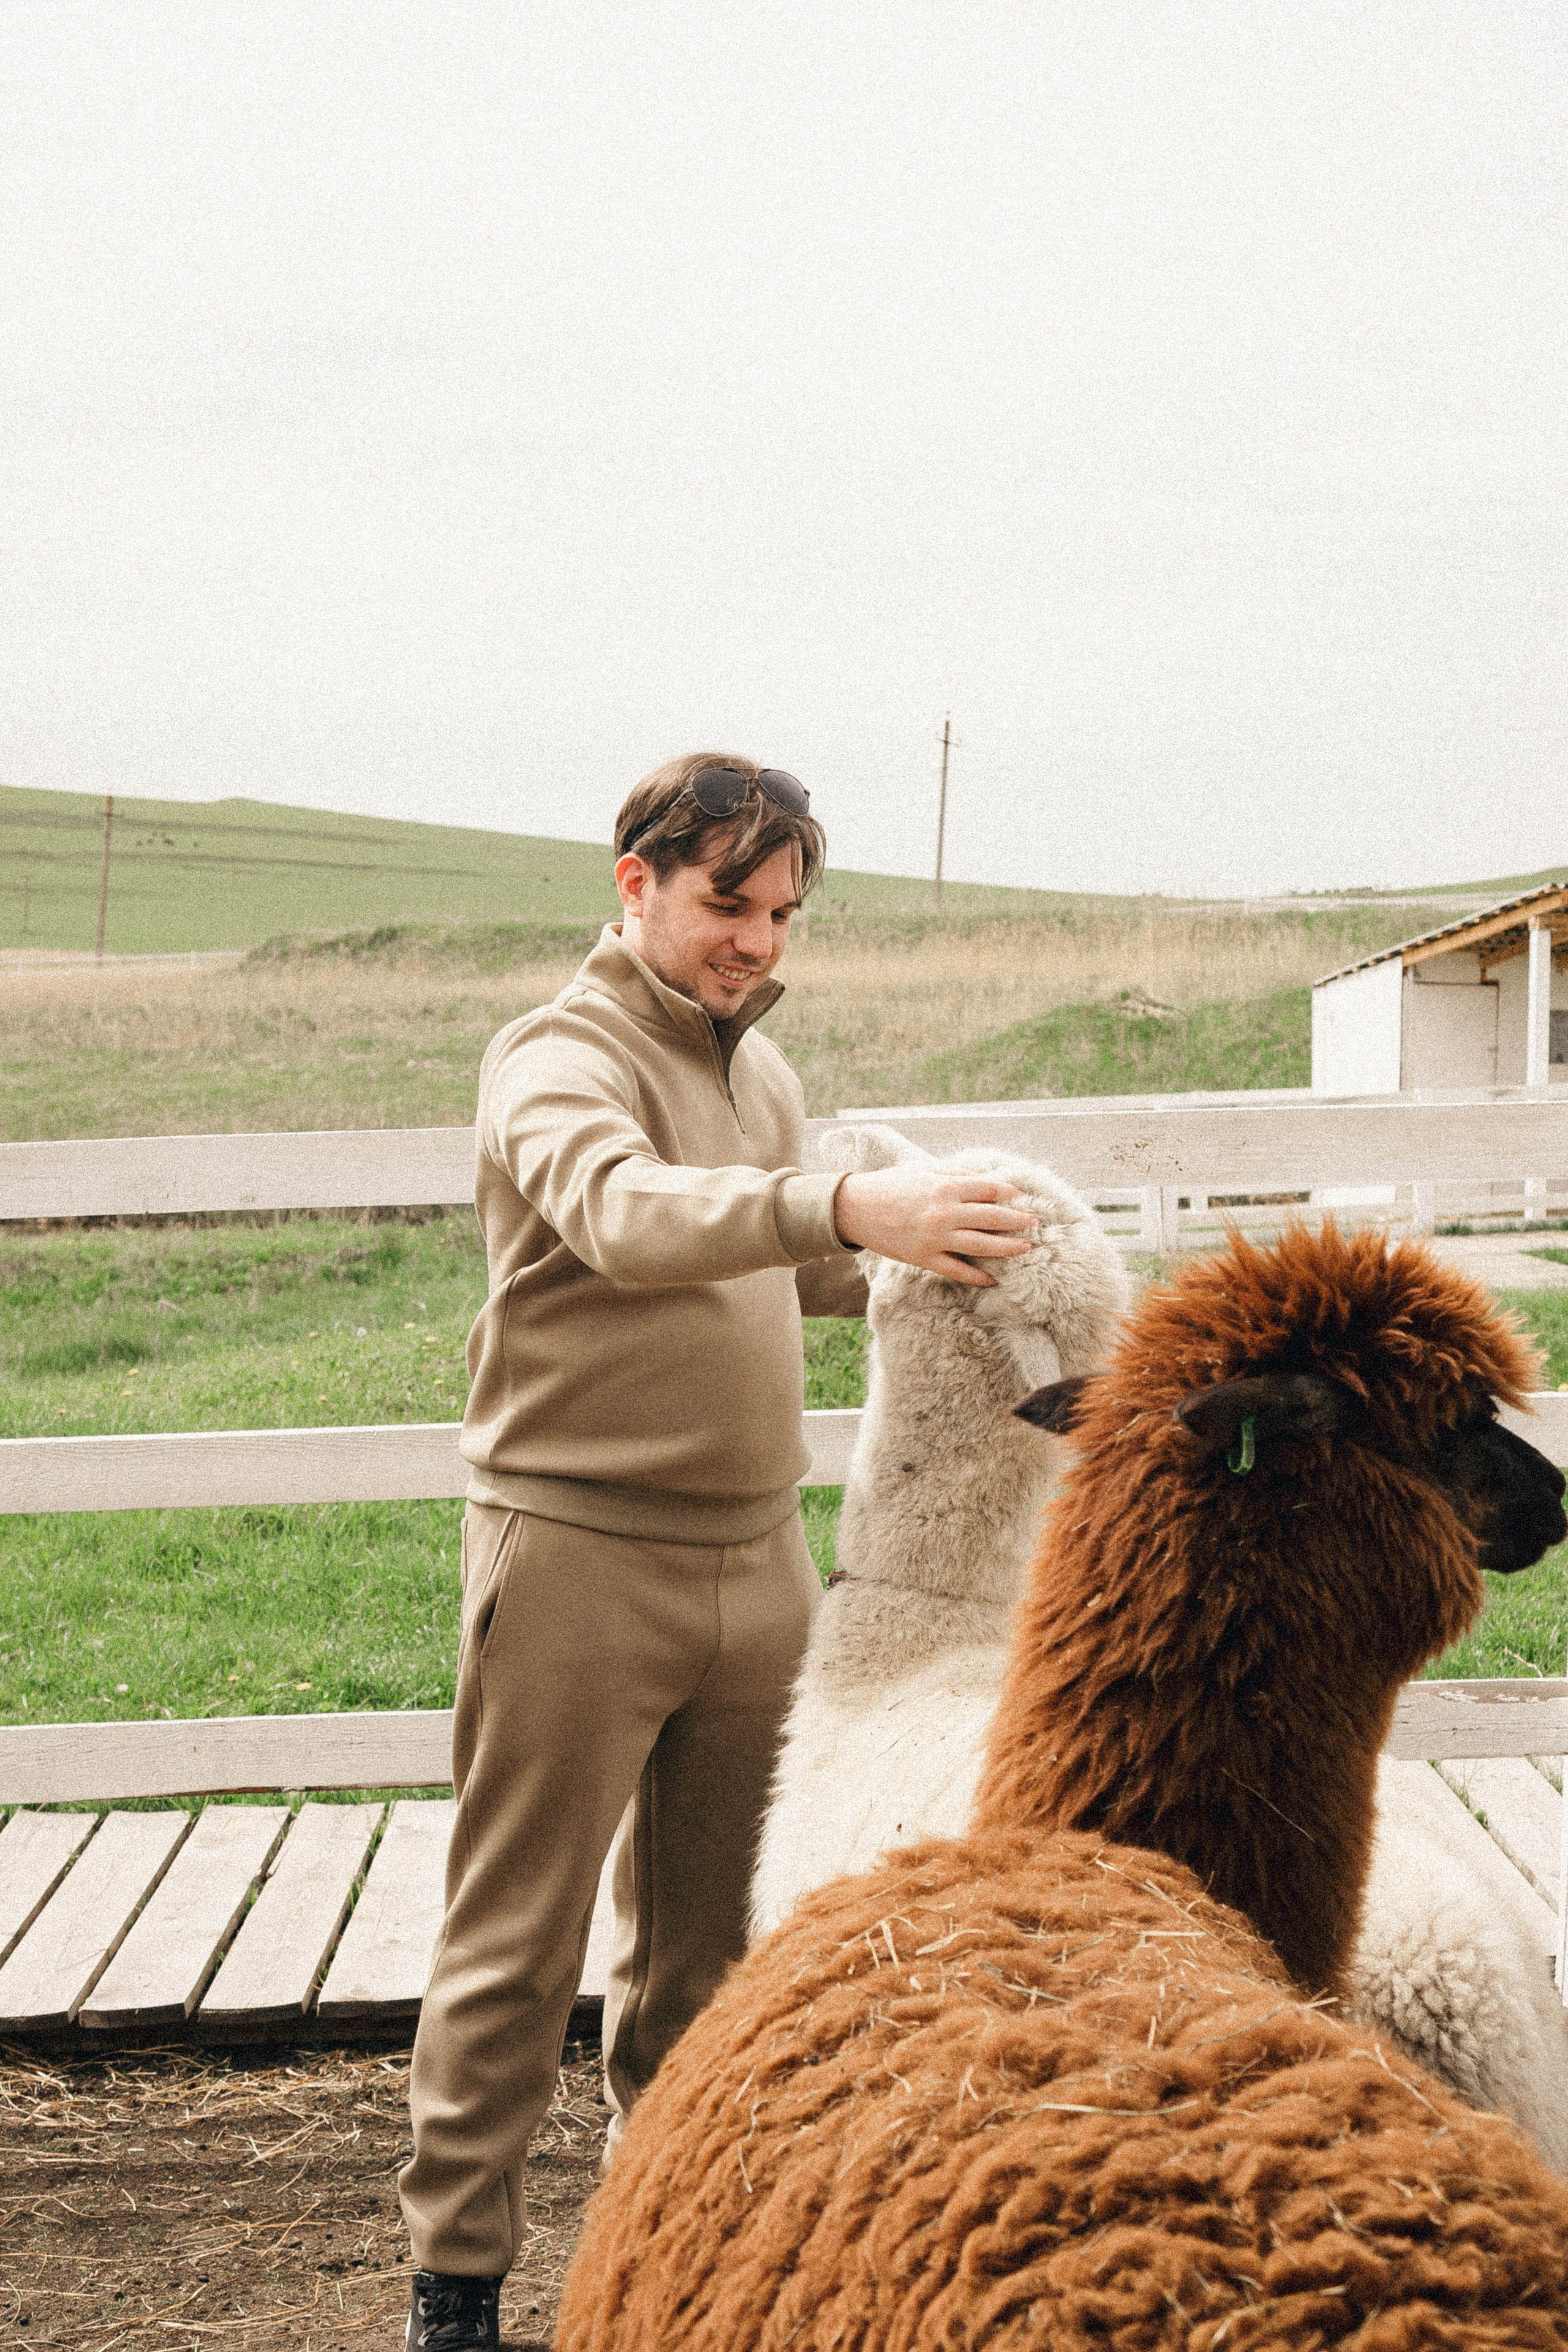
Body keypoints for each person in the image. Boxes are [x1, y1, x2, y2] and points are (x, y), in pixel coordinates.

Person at [399, 752, 1038, 2350]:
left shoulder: (762, 1078)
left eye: (782, 912)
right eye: (726, 903)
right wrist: (839, 1208)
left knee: (713, 1943)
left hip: (761, 1565)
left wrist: (946, 1250)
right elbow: (627, 1217)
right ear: (638, 884)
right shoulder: (553, 1060)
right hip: (578, 1560)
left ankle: (662, 2255)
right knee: (517, 1944)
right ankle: (454, 2288)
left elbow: (777, 1266)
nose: (758, 940)